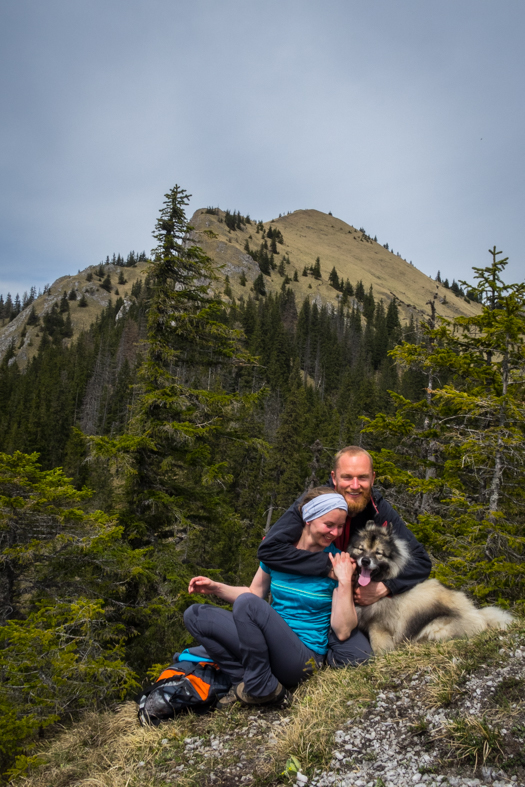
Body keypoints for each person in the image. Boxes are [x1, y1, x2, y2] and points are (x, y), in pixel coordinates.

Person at [184, 488, 370, 707]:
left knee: (247, 605)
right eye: (329, 525)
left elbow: (343, 629)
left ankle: (262, 686)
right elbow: (254, 594)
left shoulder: (336, 562)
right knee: (195, 615)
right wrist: (216, 587)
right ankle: (244, 681)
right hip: (268, 644)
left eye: (340, 526)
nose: (335, 533)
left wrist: (345, 581)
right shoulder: (280, 555)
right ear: (308, 519)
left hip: (302, 658)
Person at [257, 446, 432, 666]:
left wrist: (385, 588)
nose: (355, 485)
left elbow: (421, 561)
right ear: (334, 477)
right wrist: (330, 566)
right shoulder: (315, 503)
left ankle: (325, 658)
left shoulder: (378, 510)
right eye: (347, 477)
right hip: (305, 603)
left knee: (359, 659)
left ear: (373, 478)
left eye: (363, 478)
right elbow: (269, 550)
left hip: (346, 610)